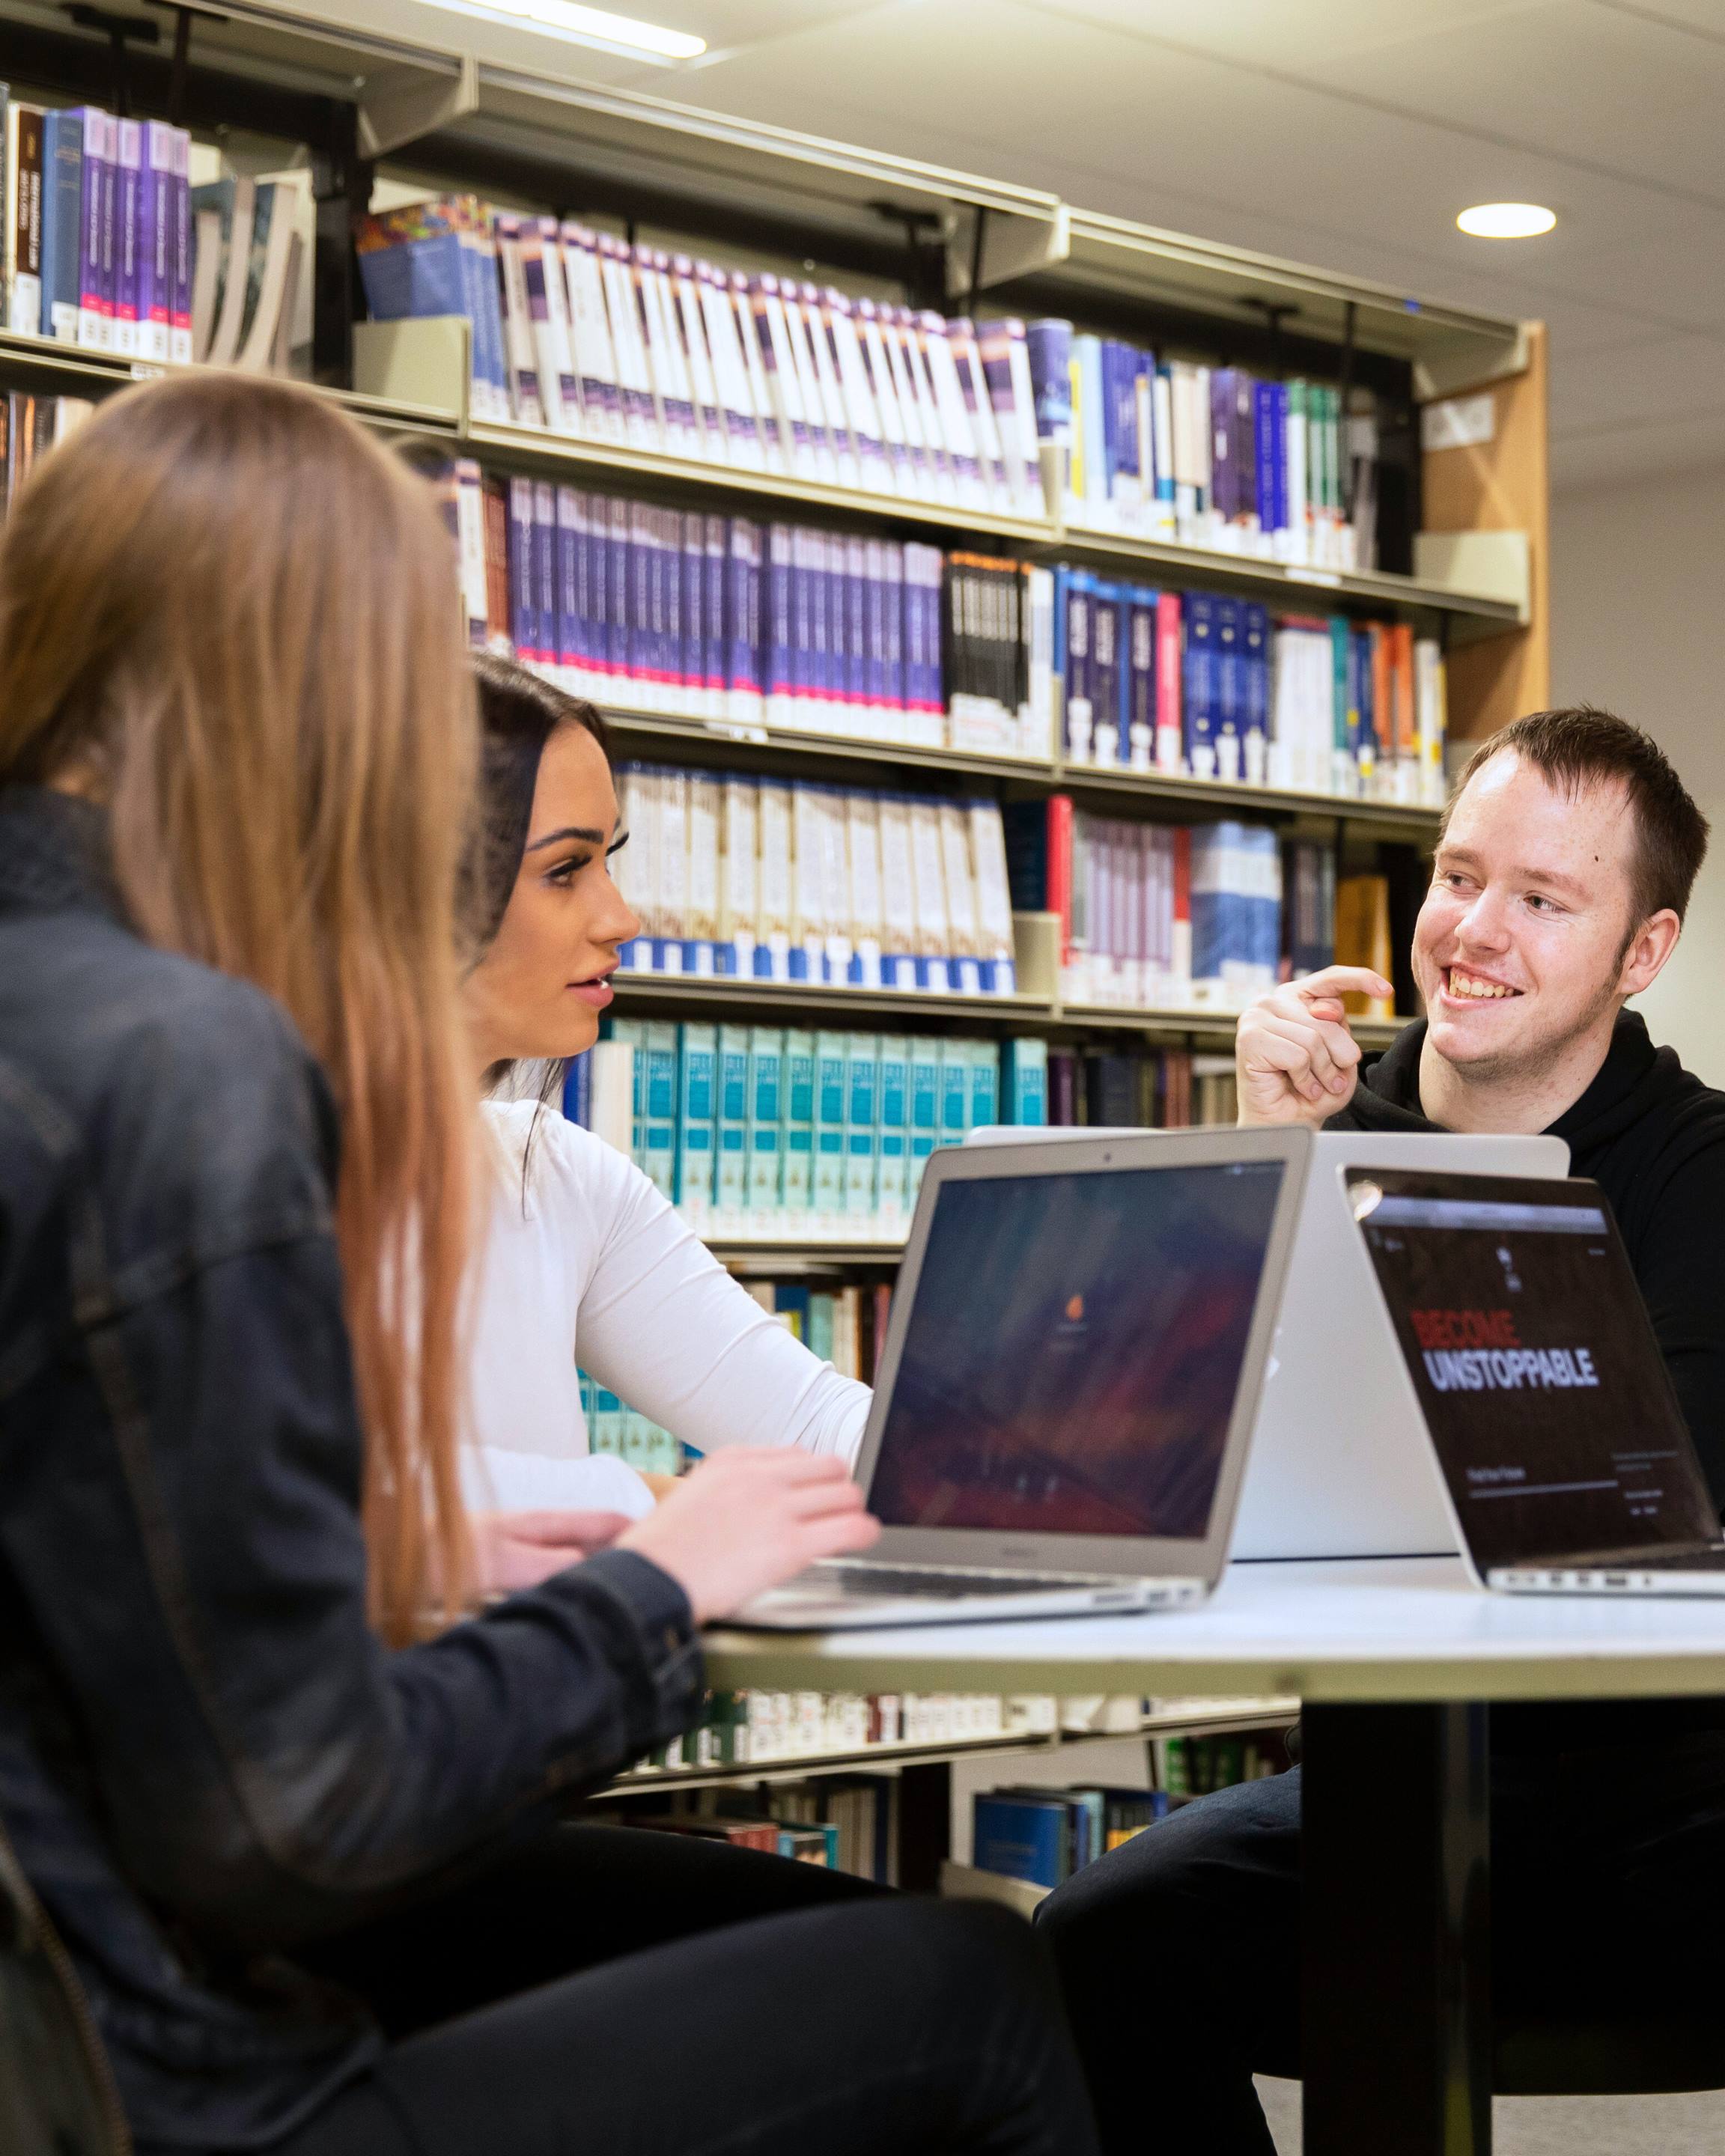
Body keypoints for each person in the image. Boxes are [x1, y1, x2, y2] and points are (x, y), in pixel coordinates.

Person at [0, 373, 1101, 2156]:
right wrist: (647, 1591)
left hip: (70, 1998)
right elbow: (296, 1817)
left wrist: (370, 1549)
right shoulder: (178, 1067)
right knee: (974, 1994)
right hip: (160, 2081)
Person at [1036, 706, 1725, 2155]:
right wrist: (1269, 1150)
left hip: (1658, 1815)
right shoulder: (1333, 1109)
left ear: (1639, 954)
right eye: (1458, 876)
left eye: (1540, 901)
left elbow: (1633, 1516)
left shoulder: (1704, 1179)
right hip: (1378, 1789)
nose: (1472, 930)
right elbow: (1172, 1453)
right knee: (1089, 1940)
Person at [457, 654, 868, 1544]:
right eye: (566, 870)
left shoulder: (555, 1176)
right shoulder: (265, 1174)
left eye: (610, 860)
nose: (621, 916)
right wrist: (665, 1503)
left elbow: (813, 1431)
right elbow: (361, 1495)